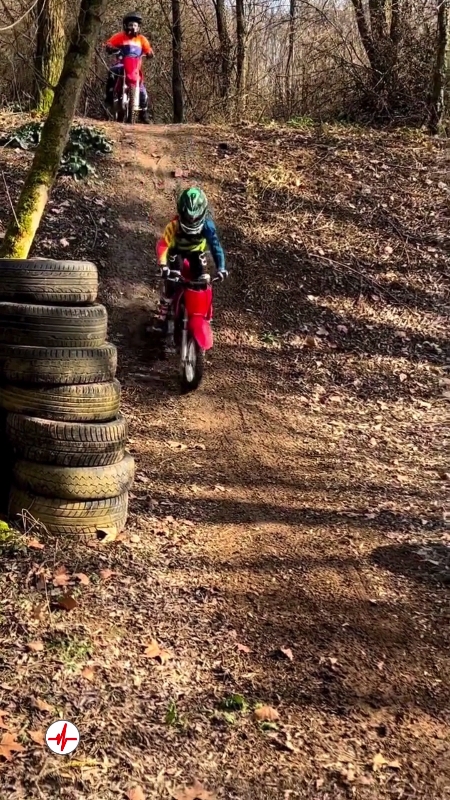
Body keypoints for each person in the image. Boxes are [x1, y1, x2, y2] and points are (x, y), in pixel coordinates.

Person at [154, 187, 228, 336]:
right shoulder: (173, 225)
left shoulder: (207, 226)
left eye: (194, 217)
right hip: (177, 252)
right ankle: (163, 312)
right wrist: (163, 265)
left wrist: (221, 268)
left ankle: (206, 314)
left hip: (196, 253)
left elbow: (215, 246)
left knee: (202, 283)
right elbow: (163, 244)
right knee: (173, 279)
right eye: (188, 217)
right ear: (181, 212)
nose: (191, 220)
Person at [105, 11, 153, 124]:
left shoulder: (142, 39)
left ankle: (144, 113)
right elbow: (109, 43)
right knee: (112, 72)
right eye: (131, 25)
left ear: (138, 27)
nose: (133, 27)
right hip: (121, 64)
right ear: (126, 26)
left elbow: (148, 49)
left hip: (135, 67)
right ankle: (108, 98)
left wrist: (150, 53)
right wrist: (109, 47)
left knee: (142, 89)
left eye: (135, 25)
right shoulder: (120, 36)